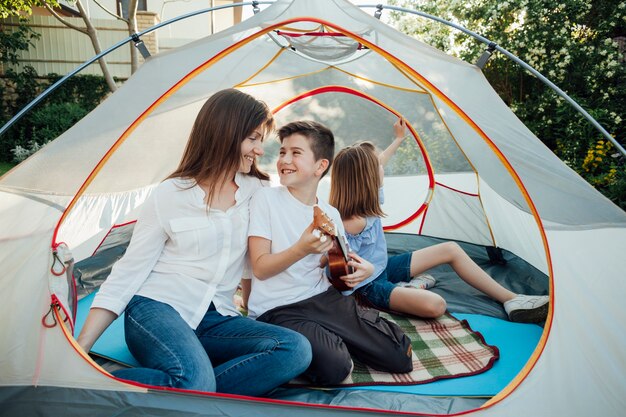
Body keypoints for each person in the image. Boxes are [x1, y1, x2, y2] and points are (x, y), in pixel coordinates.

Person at [76, 89, 312, 396]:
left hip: (216, 317)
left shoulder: (258, 191)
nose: (260, 149)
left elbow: (266, 251)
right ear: (226, 133)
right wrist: (80, 350)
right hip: (157, 308)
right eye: (253, 138)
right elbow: (128, 273)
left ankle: (193, 389)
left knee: (295, 349)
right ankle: (101, 379)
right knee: (195, 380)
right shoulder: (170, 194)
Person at [328, 118, 549, 323]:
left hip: (384, 265)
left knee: (451, 249)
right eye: (378, 167)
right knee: (436, 305)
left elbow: (380, 160)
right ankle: (412, 288)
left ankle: (512, 299)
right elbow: (342, 275)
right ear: (368, 178)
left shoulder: (370, 195)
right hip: (370, 286)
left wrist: (398, 139)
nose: (382, 166)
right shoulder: (351, 224)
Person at [245, 120, 413, 386]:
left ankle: (340, 334)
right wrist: (301, 249)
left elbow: (333, 267)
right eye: (282, 152)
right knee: (336, 368)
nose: (285, 160)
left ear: (320, 166)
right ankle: (327, 342)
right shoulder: (265, 200)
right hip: (279, 308)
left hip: (324, 297)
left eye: (296, 153)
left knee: (399, 355)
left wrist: (362, 271)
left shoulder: (330, 213)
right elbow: (261, 268)